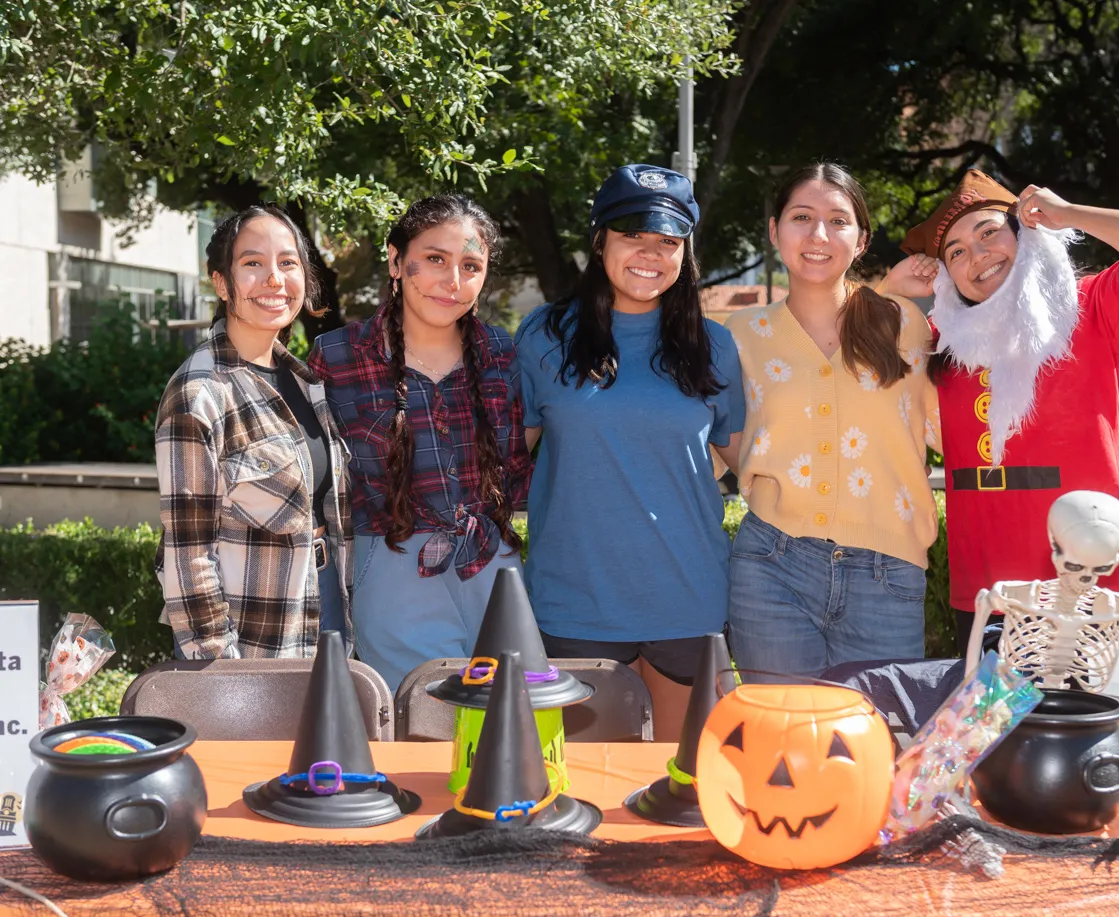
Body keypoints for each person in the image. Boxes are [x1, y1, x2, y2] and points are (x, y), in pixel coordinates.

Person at [880, 169, 1119, 640]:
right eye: (956, 253)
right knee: (991, 719)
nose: (978, 255)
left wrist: (1068, 214)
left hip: (1090, 591)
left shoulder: (1091, 309)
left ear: (1026, 235)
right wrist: (888, 292)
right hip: (986, 599)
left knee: (1094, 717)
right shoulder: (942, 347)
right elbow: (855, 369)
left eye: (989, 233)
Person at [514, 164, 744, 738]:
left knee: (688, 795)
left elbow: (748, 463)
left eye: (668, 240)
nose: (650, 253)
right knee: (585, 798)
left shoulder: (713, 345)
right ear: (600, 240)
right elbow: (505, 461)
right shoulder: (545, 335)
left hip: (689, 600)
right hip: (575, 602)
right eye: (631, 234)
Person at [721, 163, 943, 678]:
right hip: (770, 566)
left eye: (838, 221)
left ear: (861, 239)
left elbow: (948, 427)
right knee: (781, 742)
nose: (818, 235)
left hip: (887, 572)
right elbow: (717, 437)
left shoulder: (904, 323)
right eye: (802, 216)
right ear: (775, 230)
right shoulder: (739, 333)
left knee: (873, 744)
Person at [308, 194, 530, 691]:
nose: (452, 281)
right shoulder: (337, 355)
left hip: (494, 565)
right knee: (424, 726)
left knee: (511, 727)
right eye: (435, 259)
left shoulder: (501, 352)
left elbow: (519, 461)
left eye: (470, 266)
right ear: (394, 260)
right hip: (392, 564)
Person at [156, 205, 351, 659]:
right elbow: (187, 554)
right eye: (252, 264)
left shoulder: (306, 382)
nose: (274, 279)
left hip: (328, 611)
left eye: (288, 263)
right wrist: (222, 669)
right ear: (221, 282)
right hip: (255, 638)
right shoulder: (199, 393)